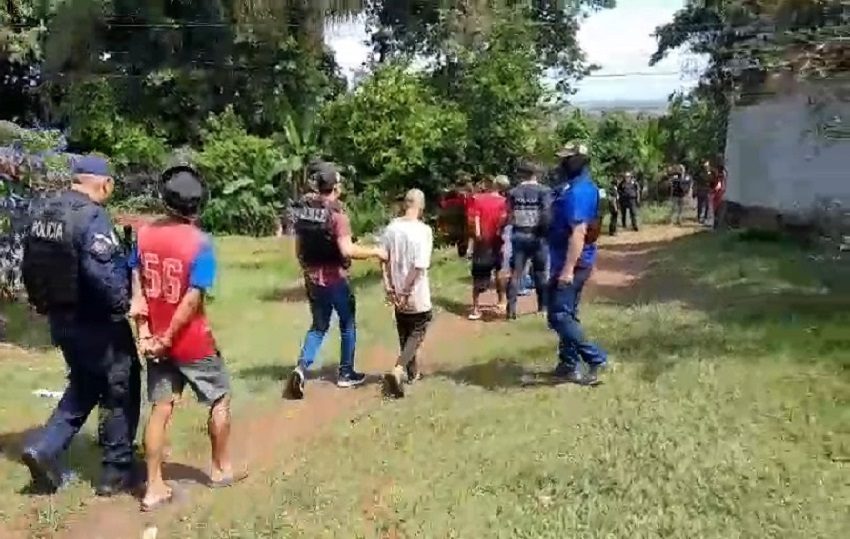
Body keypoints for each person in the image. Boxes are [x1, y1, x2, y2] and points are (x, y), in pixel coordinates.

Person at [20, 155, 141, 496]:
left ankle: (44, 449)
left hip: (60, 319)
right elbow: (102, 274)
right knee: (121, 386)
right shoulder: (91, 216)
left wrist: (42, 304)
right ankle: (117, 470)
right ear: (104, 184)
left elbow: (29, 264)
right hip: (96, 322)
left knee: (85, 384)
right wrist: (126, 304)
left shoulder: (44, 212)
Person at [128, 166, 239, 511]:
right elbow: (192, 299)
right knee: (219, 399)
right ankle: (221, 468)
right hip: (192, 341)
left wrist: (146, 333)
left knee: (160, 408)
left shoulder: (143, 235)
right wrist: (167, 338)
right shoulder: (200, 243)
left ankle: (153, 487)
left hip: (155, 341)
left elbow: (137, 285)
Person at [287, 162, 387, 399]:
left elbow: (299, 249)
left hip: (312, 277)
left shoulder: (305, 212)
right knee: (347, 322)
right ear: (336, 187)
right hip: (335, 278)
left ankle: (301, 368)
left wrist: (307, 269)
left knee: (318, 325)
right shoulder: (337, 216)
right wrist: (376, 252)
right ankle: (346, 373)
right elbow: (347, 250)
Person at [547, 143, 608, 385]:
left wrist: (568, 269)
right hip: (569, 259)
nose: (561, 164)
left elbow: (578, 232)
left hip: (572, 262)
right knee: (567, 314)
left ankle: (595, 358)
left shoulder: (578, 192)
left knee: (559, 316)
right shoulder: (574, 187)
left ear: (576, 161)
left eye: (566, 159)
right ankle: (568, 364)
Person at [381, 189, 433, 398]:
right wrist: (405, 291)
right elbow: (419, 266)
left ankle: (412, 372)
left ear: (405, 204)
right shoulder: (423, 231)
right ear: (421, 206)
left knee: (405, 331)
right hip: (414, 291)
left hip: (395, 288)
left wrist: (388, 285)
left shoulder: (391, 228)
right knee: (418, 329)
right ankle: (399, 368)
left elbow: (383, 258)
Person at [505, 162, 551, 320]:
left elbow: (509, 214)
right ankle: (542, 307)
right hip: (537, 236)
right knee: (540, 272)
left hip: (519, 233)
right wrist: (545, 232)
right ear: (535, 174)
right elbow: (546, 214)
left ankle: (511, 308)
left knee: (516, 272)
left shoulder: (513, 192)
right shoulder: (544, 191)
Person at [468, 176, 508, 320]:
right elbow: (504, 220)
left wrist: (477, 235)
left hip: (482, 242)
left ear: (493, 185)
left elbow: (475, 218)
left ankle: (475, 308)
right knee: (499, 271)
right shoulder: (504, 202)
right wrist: (500, 233)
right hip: (498, 241)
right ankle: (501, 302)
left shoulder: (478, 199)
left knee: (479, 274)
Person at [694, 160, 713, 225]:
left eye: (707, 166)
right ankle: (700, 217)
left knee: (707, 205)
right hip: (701, 190)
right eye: (706, 166)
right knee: (700, 205)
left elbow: (711, 180)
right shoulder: (700, 173)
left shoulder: (709, 173)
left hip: (706, 190)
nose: (707, 167)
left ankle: (704, 218)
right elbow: (696, 180)